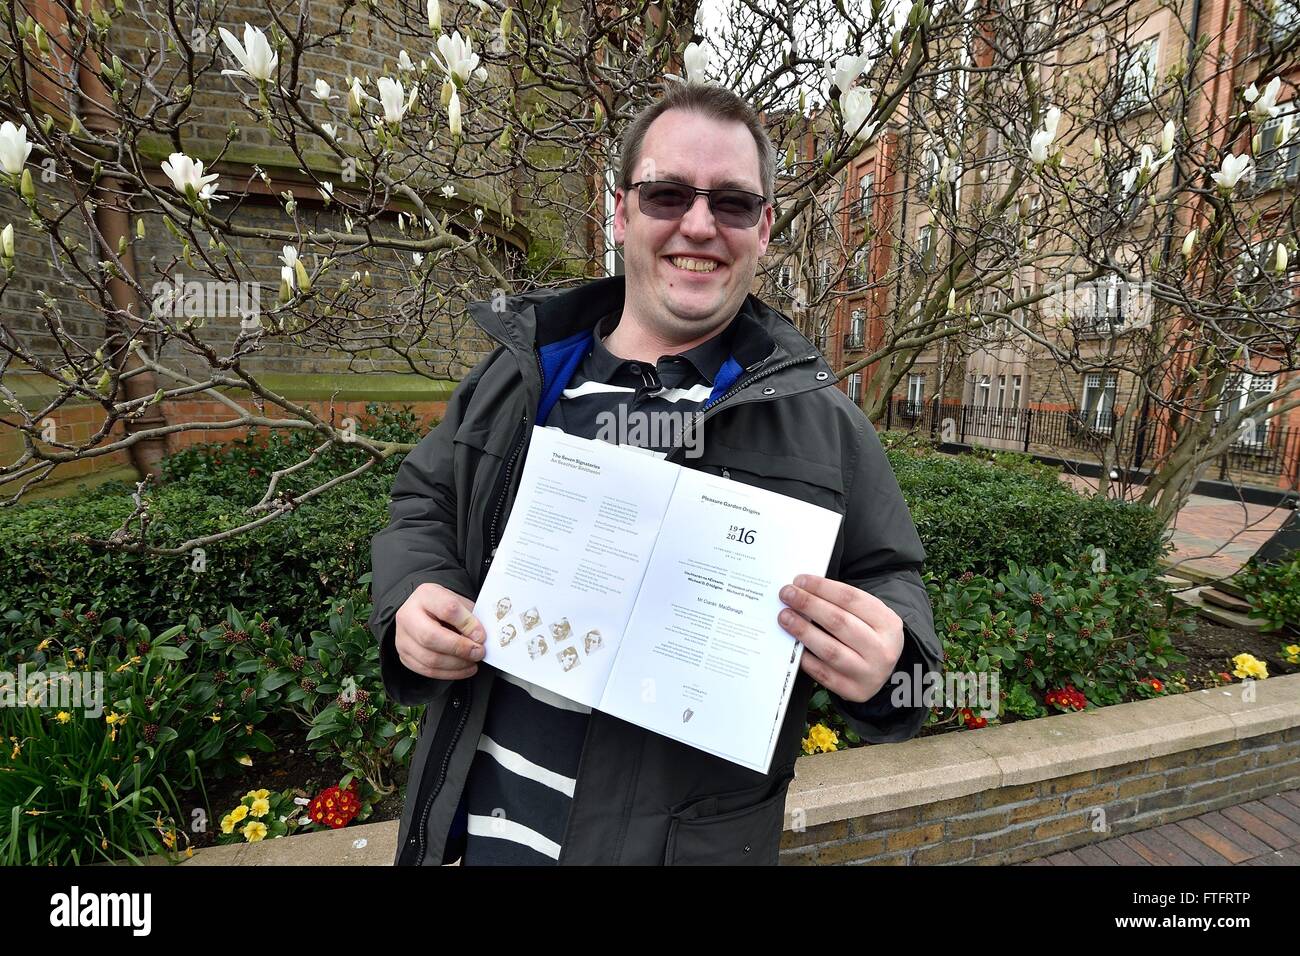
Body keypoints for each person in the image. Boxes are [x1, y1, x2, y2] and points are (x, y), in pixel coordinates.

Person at [368, 82, 943, 866]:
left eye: (734, 203)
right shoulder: (519, 377)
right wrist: (411, 598)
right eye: (667, 193)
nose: (699, 225)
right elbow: (422, 504)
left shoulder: (821, 422)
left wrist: (889, 662)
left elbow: (892, 584)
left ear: (765, 227)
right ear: (621, 211)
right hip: (472, 839)